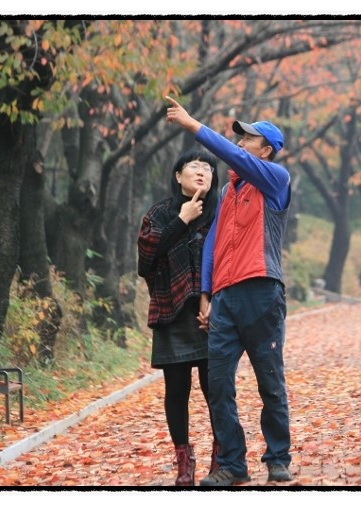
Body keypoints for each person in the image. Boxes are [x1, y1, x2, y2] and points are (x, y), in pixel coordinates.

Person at [165, 96, 293, 486]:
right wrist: (207, 294)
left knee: (269, 381)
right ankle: (233, 464)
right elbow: (213, 244)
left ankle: (277, 458)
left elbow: (231, 155)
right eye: (240, 138)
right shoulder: (229, 193)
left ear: (265, 151)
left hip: (262, 292)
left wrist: (192, 125)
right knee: (219, 384)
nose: (240, 144)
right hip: (224, 299)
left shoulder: (275, 179)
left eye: (248, 139)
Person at [137, 148, 221, 486]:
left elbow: (231, 260)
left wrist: (216, 302)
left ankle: (222, 456)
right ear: (178, 175)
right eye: (194, 166)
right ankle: (184, 461)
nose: (202, 172)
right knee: (176, 391)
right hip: (171, 310)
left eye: (208, 168)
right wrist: (181, 220)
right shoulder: (159, 214)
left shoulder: (221, 212)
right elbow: (145, 262)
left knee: (216, 390)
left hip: (213, 315)